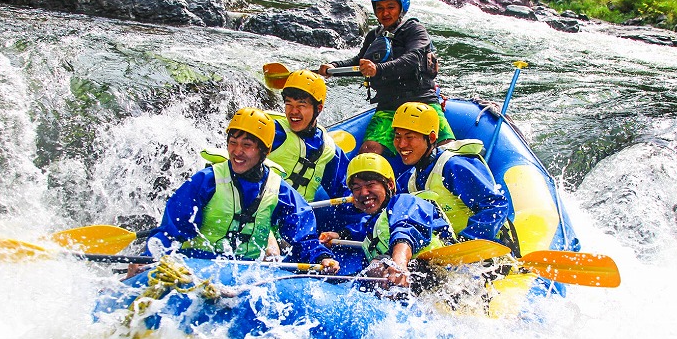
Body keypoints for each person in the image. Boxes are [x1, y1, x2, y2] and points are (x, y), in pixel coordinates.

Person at [143, 107, 339, 272]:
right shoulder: (206, 181)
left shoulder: (279, 190)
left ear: (265, 151)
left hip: (249, 273)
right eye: (233, 143)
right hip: (198, 266)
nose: (237, 152)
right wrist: (149, 259)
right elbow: (172, 231)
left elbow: (303, 235)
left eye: (247, 145)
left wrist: (322, 256)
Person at [319, 0, 454, 157]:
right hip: (389, 105)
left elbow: (413, 58)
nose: (385, 13)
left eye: (390, 7)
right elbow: (360, 62)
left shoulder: (415, 30)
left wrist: (378, 69)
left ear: (401, 7)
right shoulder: (374, 35)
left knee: (448, 148)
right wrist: (334, 67)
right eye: (380, 8)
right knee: (369, 150)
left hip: (422, 101)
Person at [320, 153, 452, 290]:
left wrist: (399, 263)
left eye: (370, 184)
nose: (363, 193)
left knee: (377, 266)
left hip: (435, 272)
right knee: (373, 270)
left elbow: (406, 228)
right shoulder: (374, 222)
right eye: (357, 188)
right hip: (411, 279)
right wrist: (340, 235)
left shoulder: (405, 202)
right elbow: (366, 228)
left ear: (389, 185)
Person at [392, 102, 513, 247]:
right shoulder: (410, 178)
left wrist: (466, 242)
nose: (401, 144)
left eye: (409, 137)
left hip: (489, 248)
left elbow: (496, 205)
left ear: (431, 138)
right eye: (397, 137)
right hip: (449, 250)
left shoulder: (453, 167)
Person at [267, 69, 349, 203]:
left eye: (301, 105)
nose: (293, 112)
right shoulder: (271, 131)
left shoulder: (328, 150)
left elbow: (345, 191)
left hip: (299, 219)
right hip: (261, 213)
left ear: (319, 108)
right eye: (289, 104)